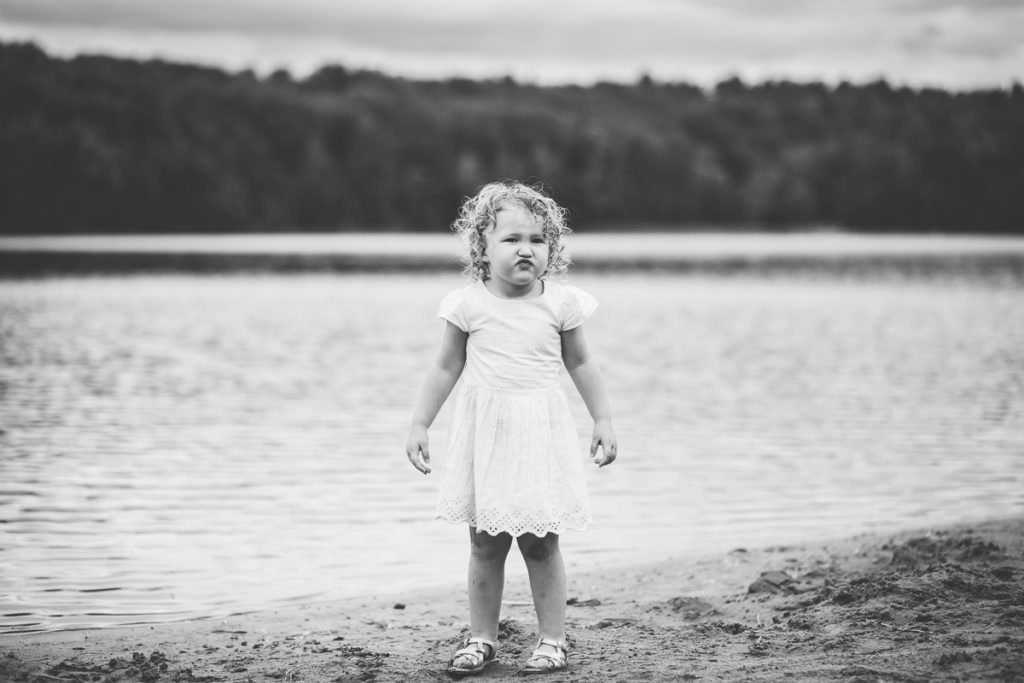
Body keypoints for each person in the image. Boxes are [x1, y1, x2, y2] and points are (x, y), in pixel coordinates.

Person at [405, 180, 618, 676]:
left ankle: (553, 640)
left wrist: (603, 419)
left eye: (538, 240)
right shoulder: (467, 305)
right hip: (487, 435)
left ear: (552, 249)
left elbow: (582, 364)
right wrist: (420, 423)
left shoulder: (561, 304)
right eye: (511, 239)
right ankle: (482, 637)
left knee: (541, 541)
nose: (526, 249)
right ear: (482, 246)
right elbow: (444, 368)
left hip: (540, 433)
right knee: (484, 542)